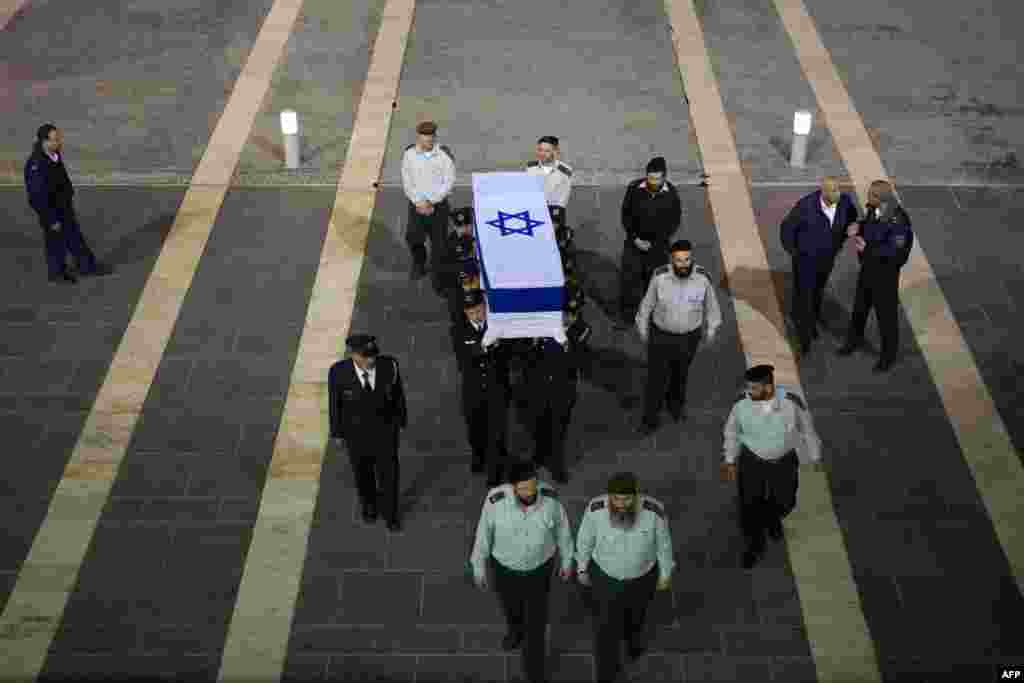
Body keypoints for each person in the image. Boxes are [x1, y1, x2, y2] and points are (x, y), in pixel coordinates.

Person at [469, 461, 574, 683]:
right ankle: (515, 631)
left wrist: (567, 560)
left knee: (536, 626)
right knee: (511, 606)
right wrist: (478, 566)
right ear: (513, 487)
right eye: (524, 488)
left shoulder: (551, 499)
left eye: (533, 485)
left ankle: (534, 672)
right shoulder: (495, 501)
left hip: (539, 571)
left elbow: (563, 530)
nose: (530, 492)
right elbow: (483, 535)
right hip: (505, 570)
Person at [720, 365, 822, 568]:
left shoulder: (791, 403)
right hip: (752, 462)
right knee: (749, 507)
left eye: (754, 388)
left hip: (783, 461)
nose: (748, 392)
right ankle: (754, 546)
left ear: (768, 387)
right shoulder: (741, 404)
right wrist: (730, 459)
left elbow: (808, 430)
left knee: (786, 501)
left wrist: (815, 457)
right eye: (748, 388)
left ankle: (771, 517)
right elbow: (731, 431)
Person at [576, 472, 674, 683]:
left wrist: (665, 574)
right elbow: (585, 539)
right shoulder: (596, 509)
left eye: (627, 498)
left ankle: (633, 644)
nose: (621, 504)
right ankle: (606, 673)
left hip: (642, 579)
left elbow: (663, 545)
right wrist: (582, 568)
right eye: (616, 499)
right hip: (606, 579)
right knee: (604, 629)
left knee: (636, 617)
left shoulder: (654, 512)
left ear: (636, 496)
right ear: (609, 496)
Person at [635, 240, 722, 434]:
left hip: (689, 338)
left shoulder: (702, 279)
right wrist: (642, 327)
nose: (683, 264)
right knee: (656, 379)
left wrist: (711, 329)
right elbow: (647, 304)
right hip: (661, 336)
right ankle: (650, 419)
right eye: (678, 260)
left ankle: (675, 406)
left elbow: (712, 306)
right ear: (671, 260)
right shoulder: (660, 278)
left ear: (692, 258)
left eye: (687, 259)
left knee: (680, 374)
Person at [328, 334, 407, 532]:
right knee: (363, 475)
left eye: (373, 355)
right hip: (357, 436)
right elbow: (334, 404)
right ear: (354, 355)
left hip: (385, 434)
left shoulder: (389, 366)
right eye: (366, 356)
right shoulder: (338, 373)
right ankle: (369, 507)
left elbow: (398, 395)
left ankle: (391, 514)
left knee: (389, 475)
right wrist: (337, 433)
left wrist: (400, 421)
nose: (371, 360)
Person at [836, 181, 914, 372]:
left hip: (885, 277)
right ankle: (853, 341)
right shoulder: (873, 209)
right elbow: (871, 226)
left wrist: (868, 249)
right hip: (868, 270)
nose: (867, 197)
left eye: (872, 195)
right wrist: (859, 227)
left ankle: (888, 356)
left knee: (886, 318)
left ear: (882, 198)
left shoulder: (899, 221)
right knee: (859, 310)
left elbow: (897, 253)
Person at [24, 124, 114, 283]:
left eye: (58, 138)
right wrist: (51, 219)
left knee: (74, 238)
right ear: (45, 142)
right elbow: (36, 197)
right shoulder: (36, 164)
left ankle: (87, 266)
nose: (59, 142)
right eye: (55, 139)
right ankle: (58, 273)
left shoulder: (53, 155)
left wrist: (68, 193)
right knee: (55, 244)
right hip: (52, 212)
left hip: (64, 208)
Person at [779, 176, 858, 354]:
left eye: (838, 189)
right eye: (834, 191)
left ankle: (811, 319)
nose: (838, 193)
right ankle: (804, 336)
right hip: (805, 260)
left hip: (827, 259)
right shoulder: (805, 207)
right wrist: (795, 253)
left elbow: (851, 217)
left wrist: (847, 232)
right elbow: (787, 228)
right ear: (823, 192)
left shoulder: (845, 203)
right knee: (804, 295)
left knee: (817, 291)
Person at [450, 289, 512, 486]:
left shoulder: (497, 326)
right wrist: (486, 345)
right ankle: (478, 456)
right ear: (465, 313)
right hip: (473, 391)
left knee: (497, 432)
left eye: (480, 309)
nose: (477, 314)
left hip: (497, 388)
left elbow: (508, 354)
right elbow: (464, 357)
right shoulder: (458, 330)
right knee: (475, 430)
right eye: (472, 311)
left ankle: (494, 473)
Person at [616, 157, 682, 330]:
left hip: (657, 248)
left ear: (664, 177)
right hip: (634, 244)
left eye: (657, 179)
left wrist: (654, 243)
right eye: (650, 178)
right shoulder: (634, 188)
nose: (652, 182)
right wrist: (635, 239)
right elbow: (626, 215)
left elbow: (673, 223)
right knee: (629, 281)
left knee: (653, 283)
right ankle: (627, 318)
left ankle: (652, 317)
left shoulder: (672, 195)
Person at [401, 121, 455, 291]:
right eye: (425, 138)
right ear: (418, 138)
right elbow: (407, 180)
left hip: (438, 207)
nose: (429, 141)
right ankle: (419, 262)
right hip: (417, 206)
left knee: (440, 243)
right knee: (413, 238)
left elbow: (449, 181)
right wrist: (418, 201)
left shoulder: (444, 156)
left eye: (431, 138)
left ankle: (438, 274)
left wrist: (431, 201)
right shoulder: (409, 155)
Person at [523, 336, 574, 484]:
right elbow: (521, 357)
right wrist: (533, 343)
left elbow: (580, 354)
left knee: (558, 429)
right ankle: (539, 455)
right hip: (536, 387)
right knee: (537, 424)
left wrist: (567, 343)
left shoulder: (570, 327)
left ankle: (556, 465)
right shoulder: (530, 330)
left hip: (561, 389)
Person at [526, 135, 572, 221]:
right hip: (534, 210)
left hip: (554, 212)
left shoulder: (565, 171)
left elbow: (562, 200)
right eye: (540, 150)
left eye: (547, 151)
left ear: (555, 151)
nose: (542, 154)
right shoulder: (530, 168)